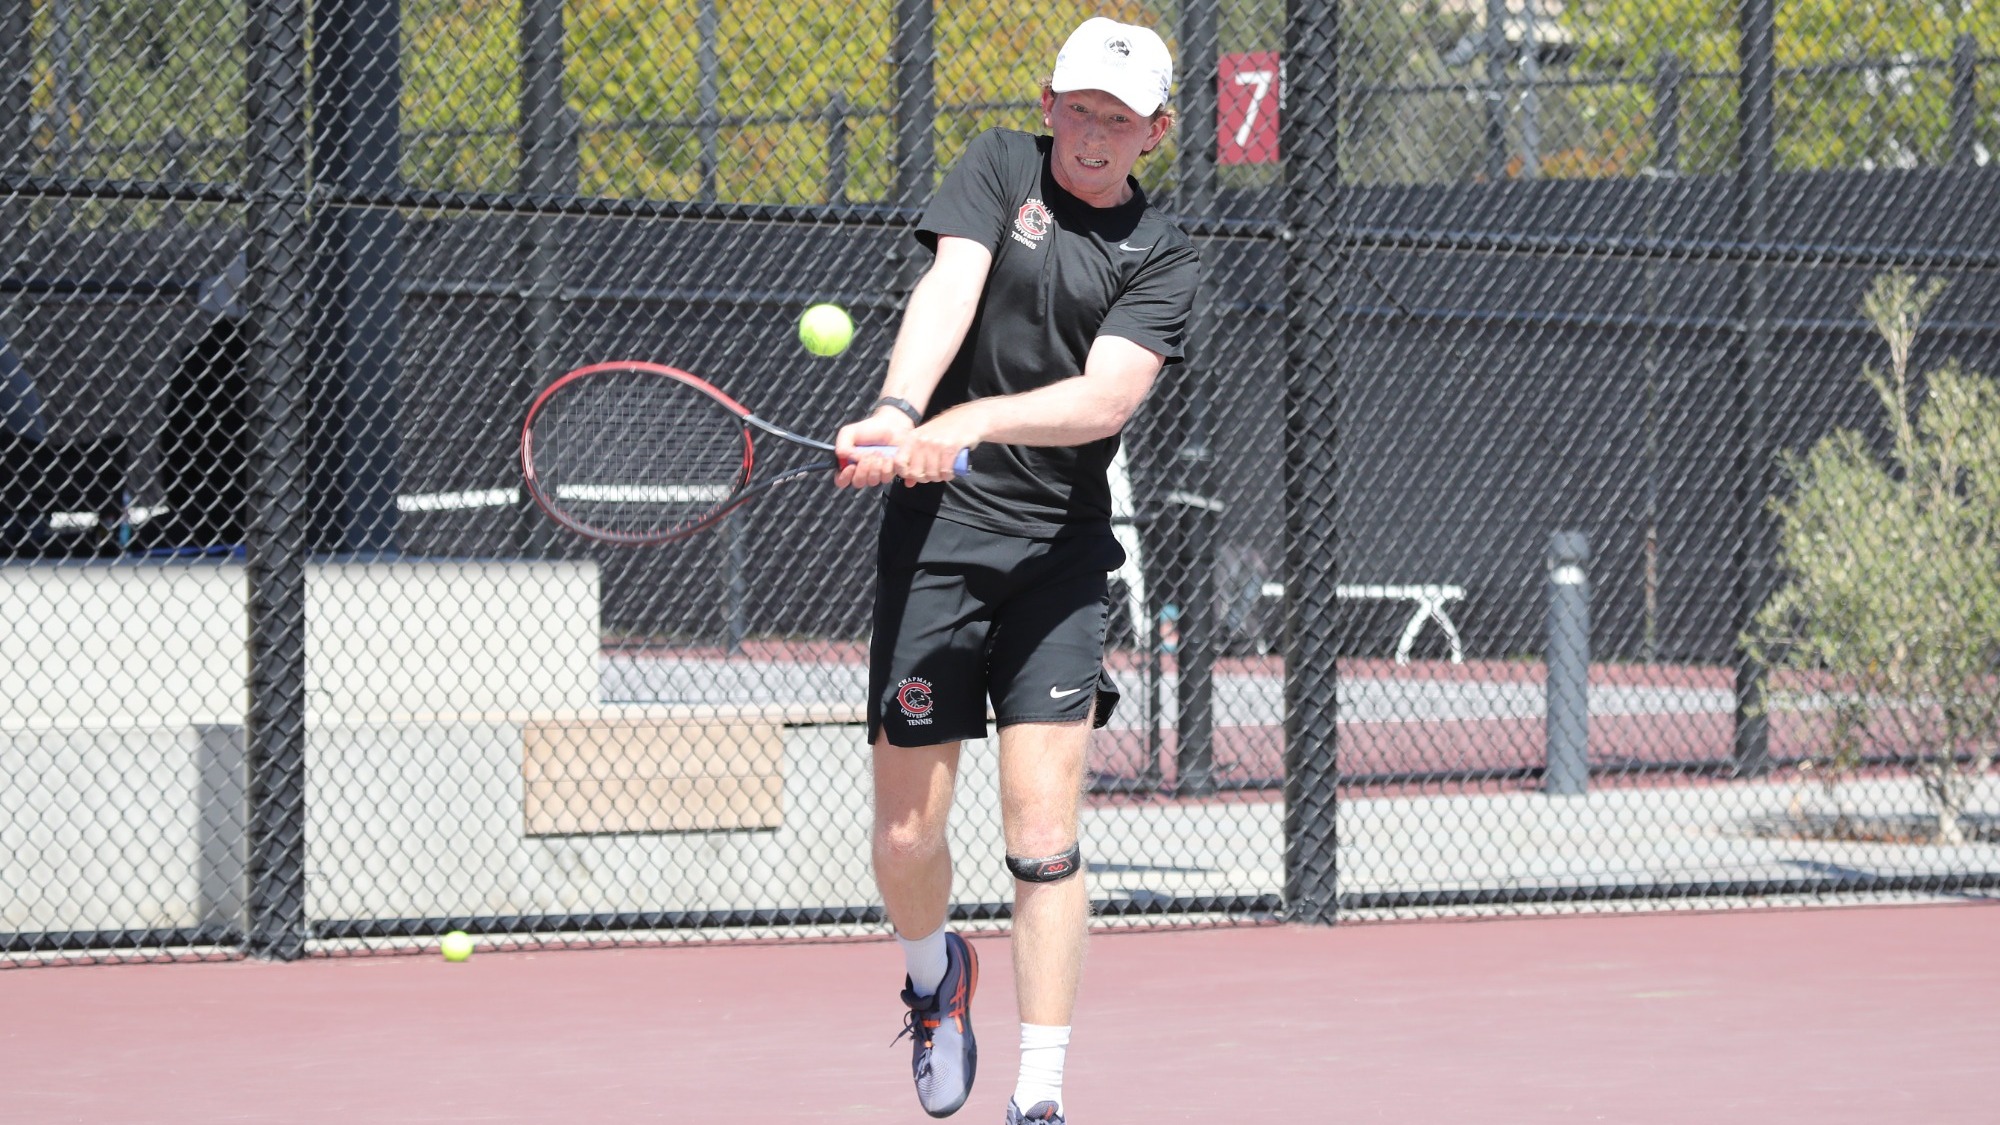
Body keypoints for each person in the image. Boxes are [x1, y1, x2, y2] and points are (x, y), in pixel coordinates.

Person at [833, 16, 1199, 1125]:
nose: (1093, 134)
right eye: (1078, 110)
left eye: (1117, 120)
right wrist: (902, 409)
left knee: (1042, 839)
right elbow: (952, 284)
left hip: (1056, 560)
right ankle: (935, 977)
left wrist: (973, 420)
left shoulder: (1165, 255)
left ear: (1155, 133)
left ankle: (1039, 1094)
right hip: (936, 544)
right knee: (908, 831)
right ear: (1048, 106)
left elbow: (1105, 398)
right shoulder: (998, 166)